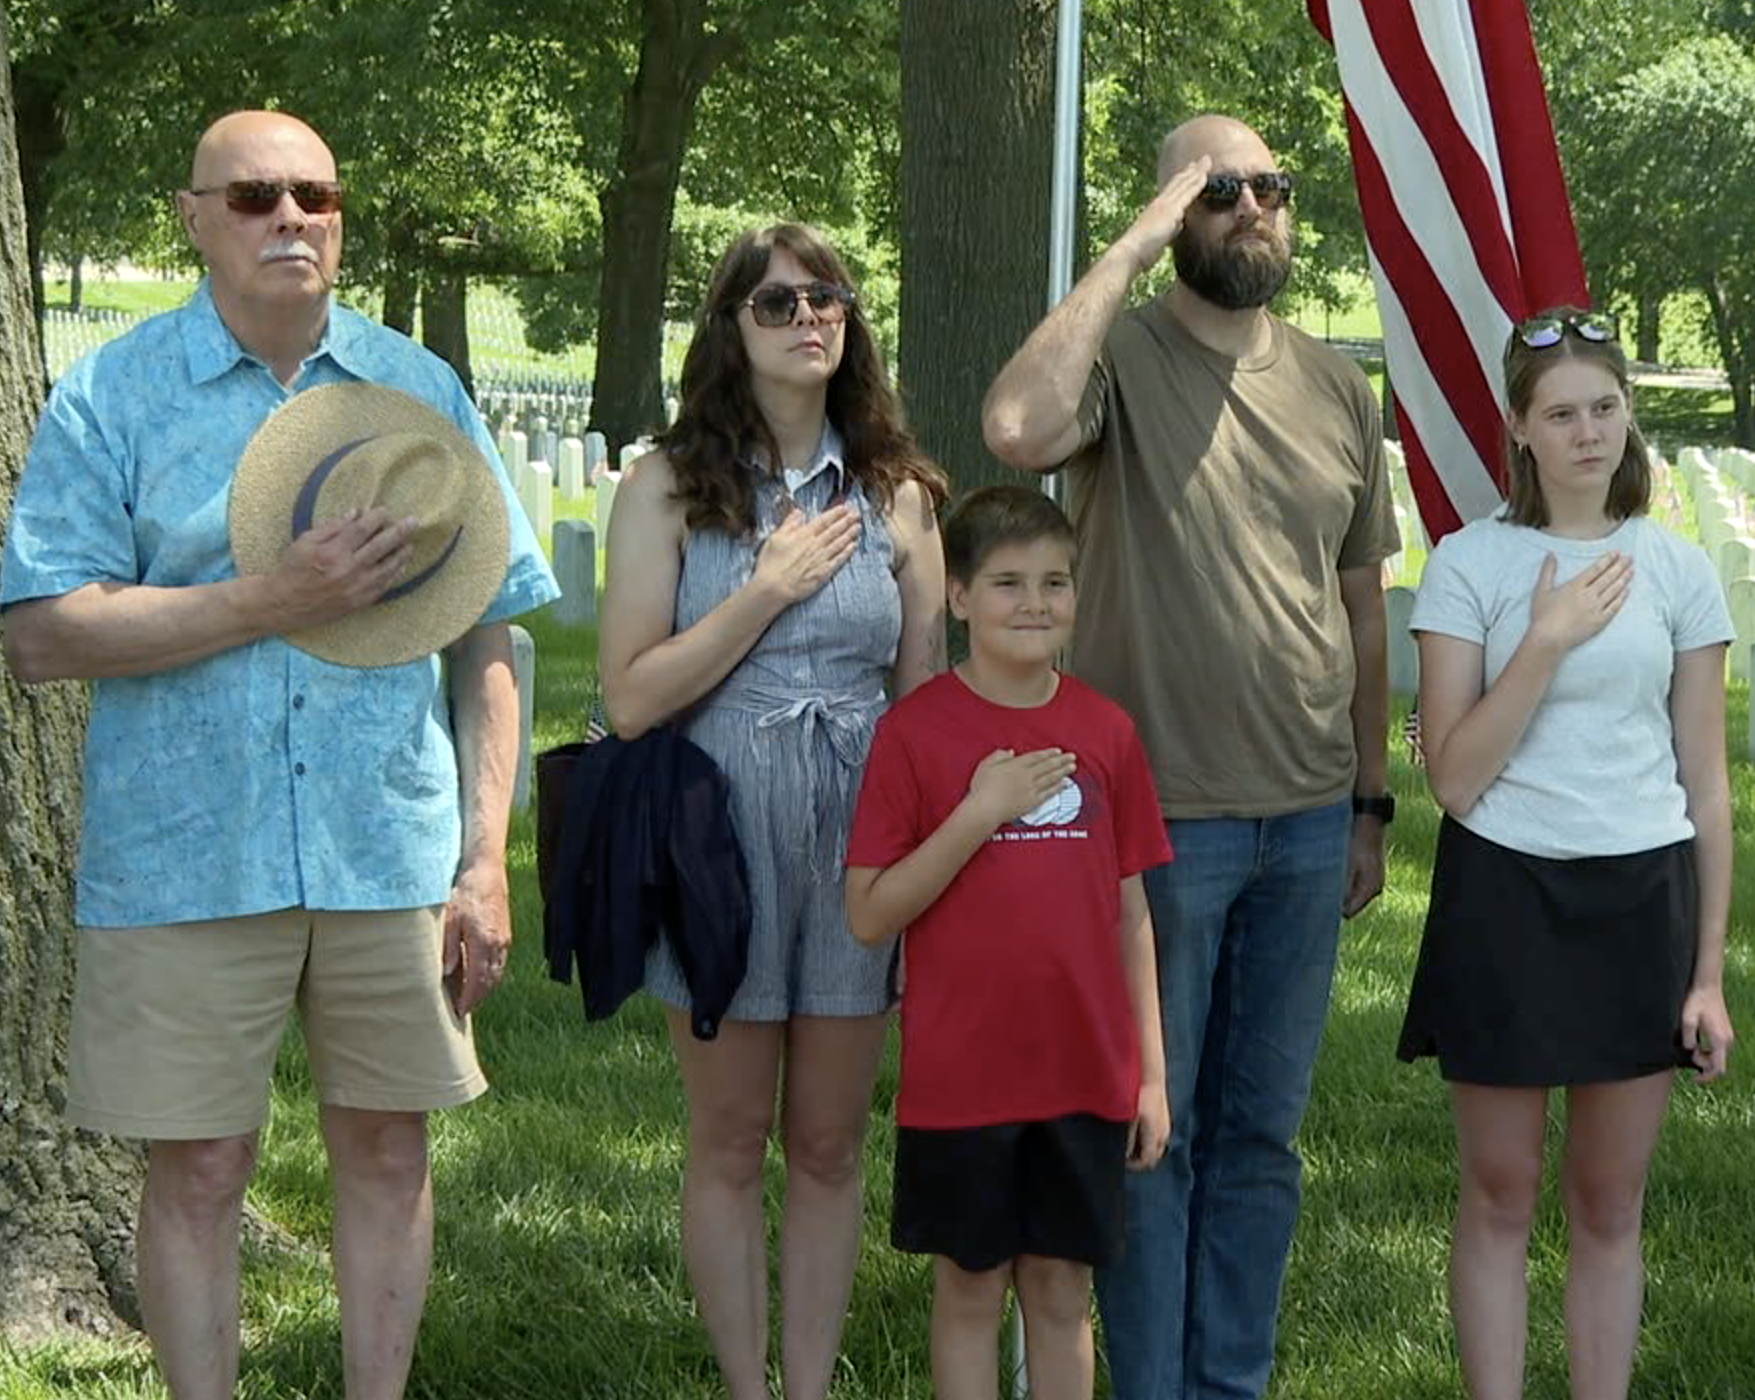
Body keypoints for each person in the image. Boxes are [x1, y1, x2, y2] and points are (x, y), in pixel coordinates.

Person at [0, 110, 558, 1400]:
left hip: (385, 844)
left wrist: (483, 859)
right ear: (194, 219)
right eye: (254, 196)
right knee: (198, 1166)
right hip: (186, 847)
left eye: (317, 193)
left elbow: (487, 632)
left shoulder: (417, 391)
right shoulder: (114, 395)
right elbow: (41, 632)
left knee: (389, 1148)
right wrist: (275, 598)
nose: (291, 217)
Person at [982, 114, 1398, 1398]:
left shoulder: (1336, 385)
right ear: (1172, 212)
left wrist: (1371, 799)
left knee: (1261, 1139)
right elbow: (1015, 427)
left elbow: (1361, 603)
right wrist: (1133, 243)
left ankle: (1232, 1383)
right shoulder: (1120, 360)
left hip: (1308, 819)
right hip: (1159, 824)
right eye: (1217, 191)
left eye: (1268, 186)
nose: (1250, 207)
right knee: (1150, 1130)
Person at [597, 222, 947, 1400]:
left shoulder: (899, 494)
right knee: (733, 1131)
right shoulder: (666, 486)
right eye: (777, 302)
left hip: (860, 838)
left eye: (827, 297)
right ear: (729, 328)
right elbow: (630, 697)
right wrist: (764, 592)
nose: (808, 318)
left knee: (832, 1139)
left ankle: (810, 1383)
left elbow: (924, 704)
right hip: (717, 834)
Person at [1398, 308, 1735, 1400]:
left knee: (1609, 1201)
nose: (1587, 432)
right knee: (1501, 1189)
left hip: (1640, 894)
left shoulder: (1678, 569)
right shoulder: (1470, 563)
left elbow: (1706, 785)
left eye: (1604, 407)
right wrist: (1543, 642)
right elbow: (1454, 778)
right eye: (1560, 414)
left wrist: (1708, 975)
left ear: (1627, 415)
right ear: (1519, 428)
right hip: (1504, 890)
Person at [846, 484, 1173, 1400]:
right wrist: (979, 812)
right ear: (957, 596)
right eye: (1007, 583)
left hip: (1083, 1071)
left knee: (1063, 1289)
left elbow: (1132, 914)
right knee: (969, 1287)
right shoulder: (915, 734)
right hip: (964, 1076)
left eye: (1054, 583)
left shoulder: (1106, 732)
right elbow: (869, 912)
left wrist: (1150, 1075)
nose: (1035, 603)